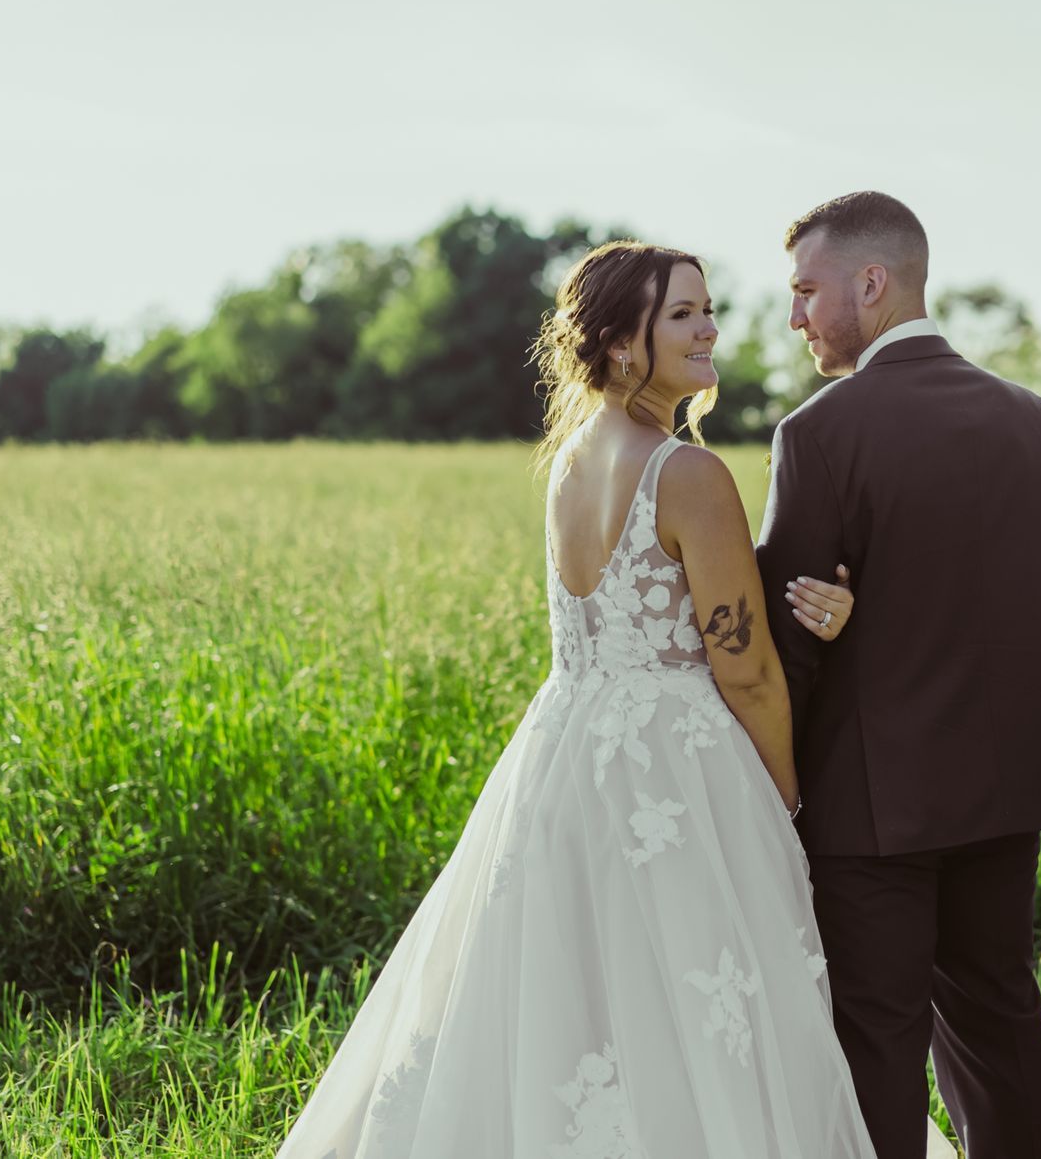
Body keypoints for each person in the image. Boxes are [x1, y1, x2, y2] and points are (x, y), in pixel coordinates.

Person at [272, 240, 951, 1157]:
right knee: (691, 999)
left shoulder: (568, 462)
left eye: (707, 308)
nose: (710, 326)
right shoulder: (687, 474)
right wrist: (786, 800)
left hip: (564, 751)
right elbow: (743, 667)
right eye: (682, 313)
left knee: (576, 1002)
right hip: (677, 767)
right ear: (623, 344)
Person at [756, 192, 1041, 1159]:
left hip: (870, 803)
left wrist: (780, 788)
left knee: (876, 1035)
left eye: (807, 290)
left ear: (872, 283)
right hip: (1008, 786)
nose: (797, 317)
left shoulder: (818, 433)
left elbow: (790, 646)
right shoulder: (1036, 419)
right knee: (1000, 1020)